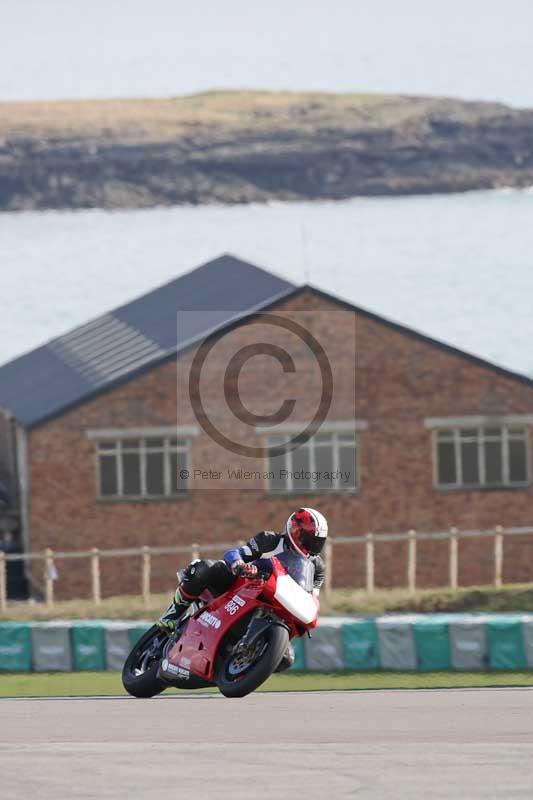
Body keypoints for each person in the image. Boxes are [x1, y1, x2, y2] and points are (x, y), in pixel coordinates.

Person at [157, 507, 328, 637]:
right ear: (296, 532)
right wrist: (239, 565)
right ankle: (172, 615)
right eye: (310, 540)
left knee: (286, 659)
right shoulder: (270, 541)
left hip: (275, 607)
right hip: (240, 587)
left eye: (318, 542)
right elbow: (235, 553)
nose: (313, 546)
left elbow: (312, 599)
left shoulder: (317, 567)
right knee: (204, 568)